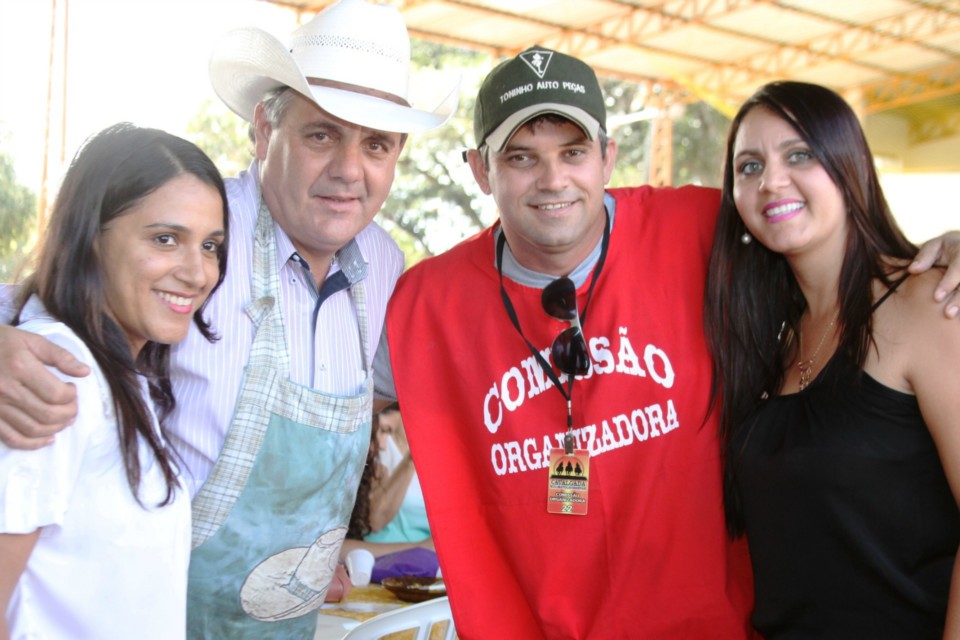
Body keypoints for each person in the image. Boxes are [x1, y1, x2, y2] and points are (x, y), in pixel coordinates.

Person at [374, 47, 960, 639]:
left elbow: (829, 248)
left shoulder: (710, 237)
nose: (552, 179)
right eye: (521, 157)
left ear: (608, 156)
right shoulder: (420, 306)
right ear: (480, 169)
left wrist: (949, 252)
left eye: (573, 152)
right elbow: (334, 398)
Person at [0, 1, 458, 637]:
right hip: (155, 609)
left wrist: (310, 547)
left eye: (375, 145)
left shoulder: (383, 265)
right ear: (265, 129)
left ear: (397, 155)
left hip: (289, 618)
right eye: (322, 134)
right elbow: (57, 285)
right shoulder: (196, 230)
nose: (349, 170)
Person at [704, 81, 960, 638]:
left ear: (851, 167)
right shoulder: (770, 339)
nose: (771, 180)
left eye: (799, 155)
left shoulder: (929, 306)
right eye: (749, 166)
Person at [0, 123, 227, 640]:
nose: (197, 273)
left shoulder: (119, 374)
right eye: (165, 239)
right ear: (90, 238)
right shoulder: (56, 375)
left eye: (211, 245)